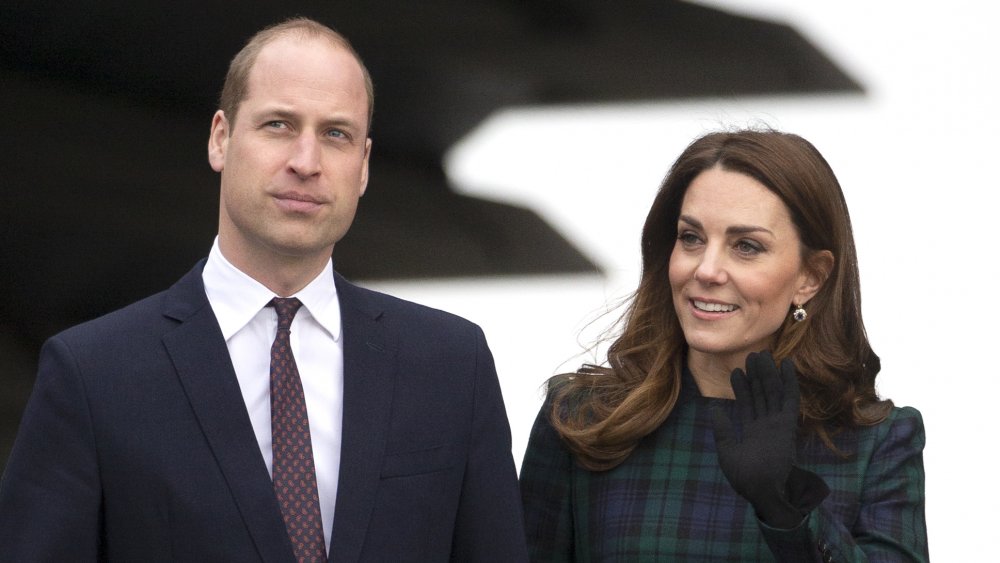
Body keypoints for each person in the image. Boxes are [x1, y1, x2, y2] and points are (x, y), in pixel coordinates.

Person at [0, 17, 527, 562]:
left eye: (336, 134)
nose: (306, 162)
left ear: (364, 166)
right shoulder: (93, 373)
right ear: (221, 138)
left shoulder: (450, 364)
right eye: (278, 125)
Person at [520, 129, 928, 561]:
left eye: (746, 246)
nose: (707, 270)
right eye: (691, 238)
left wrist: (785, 503)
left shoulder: (875, 443)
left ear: (810, 278)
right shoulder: (582, 419)